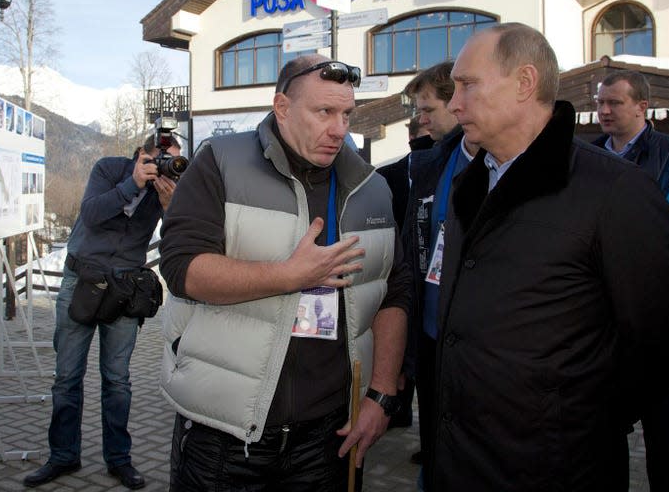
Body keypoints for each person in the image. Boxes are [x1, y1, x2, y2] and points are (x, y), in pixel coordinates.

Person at [433, 22, 669, 490]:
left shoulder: (616, 192)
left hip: (560, 468)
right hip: (461, 461)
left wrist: (575, 417)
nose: (454, 103)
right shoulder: (466, 185)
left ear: (525, 83)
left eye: (468, 84)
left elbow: (663, 341)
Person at [159, 53, 412, 490]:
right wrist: (289, 276)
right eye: (324, 112)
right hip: (226, 434)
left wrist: (382, 396)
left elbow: (394, 289)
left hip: (329, 438)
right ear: (282, 108)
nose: (339, 129)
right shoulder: (220, 161)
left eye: (347, 114)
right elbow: (183, 269)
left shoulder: (372, 187)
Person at [24, 135, 180, 489]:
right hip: (81, 280)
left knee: (117, 381)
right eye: (163, 159)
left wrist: (171, 207)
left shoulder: (165, 190)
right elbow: (92, 214)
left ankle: (119, 459)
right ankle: (63, 455)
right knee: (67, 377)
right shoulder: (109, 169)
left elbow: (181, 236)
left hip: (125, 289)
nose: (167, 167)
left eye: (175, 161)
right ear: (142, 156)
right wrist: (133, 184)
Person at [594, 70, 669, 492]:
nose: (604, 111)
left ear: (642, 107)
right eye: (600, 103)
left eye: (614, 103)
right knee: (606, 418)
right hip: (602, 309)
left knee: (661, 415)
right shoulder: (588, 156)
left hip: (655, 307)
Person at [396, 61, 478, 489]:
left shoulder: (500, 164)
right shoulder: (428, 165)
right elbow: (413, 253)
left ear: (458, 102)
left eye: (428, 108)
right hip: (430, 339)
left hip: (479, 347)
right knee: (434, 441)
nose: (420, 118)